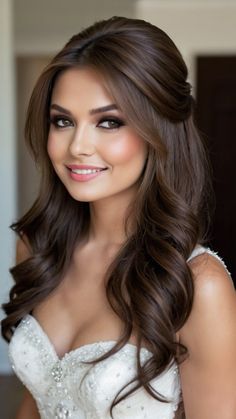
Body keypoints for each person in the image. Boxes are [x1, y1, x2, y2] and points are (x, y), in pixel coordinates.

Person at [1, 16, 236, 419]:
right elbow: (36, 401)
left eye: (109, 122)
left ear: (158, 131)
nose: (78, 146)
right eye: (63, 121)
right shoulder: (38, 248)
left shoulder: (198, 285)